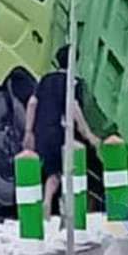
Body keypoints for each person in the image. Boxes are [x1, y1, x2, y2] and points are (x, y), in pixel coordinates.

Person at [23, 45, 100, 218]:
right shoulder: (74, 82)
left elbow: (32, 103)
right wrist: (87, 133)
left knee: (53, 171)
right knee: (70, 169)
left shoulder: (45, 79)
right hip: (62, 132)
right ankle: (66, 209)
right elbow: (74, 107)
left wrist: (29, 131)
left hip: (42, 131)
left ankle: (48, 201)